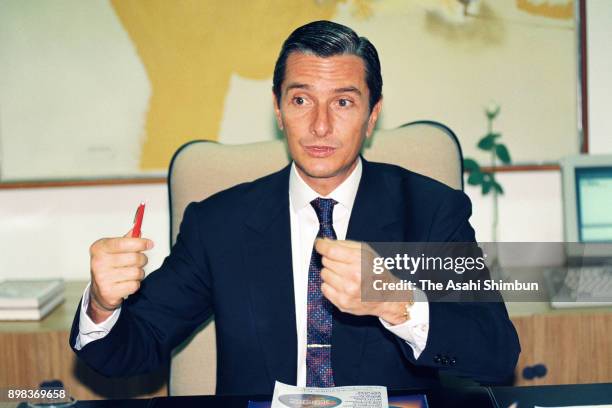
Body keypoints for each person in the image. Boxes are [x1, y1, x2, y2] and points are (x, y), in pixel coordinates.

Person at [70, 20, 520, 395]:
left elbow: (497, 355)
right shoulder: (218, 224)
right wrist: (102, 305)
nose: (320, 125)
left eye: (343, 102)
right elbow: (132, 348)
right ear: (279, 109)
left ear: (373, 115)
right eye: (301, 100)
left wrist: (398, 302)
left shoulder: (429, 210)